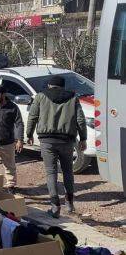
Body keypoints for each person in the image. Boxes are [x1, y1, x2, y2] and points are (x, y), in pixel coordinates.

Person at [26, 75, 87, 218]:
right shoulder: (73, 98)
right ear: (62, 86)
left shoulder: (40, 97)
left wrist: (29, 134)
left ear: (49, 85)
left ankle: (55, 206)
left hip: (47, 141)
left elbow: (33, 116)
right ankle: (69, 203)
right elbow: (80, 120)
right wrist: (83, 138)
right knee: (68, 171)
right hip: (67, 140)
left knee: (51, 172)